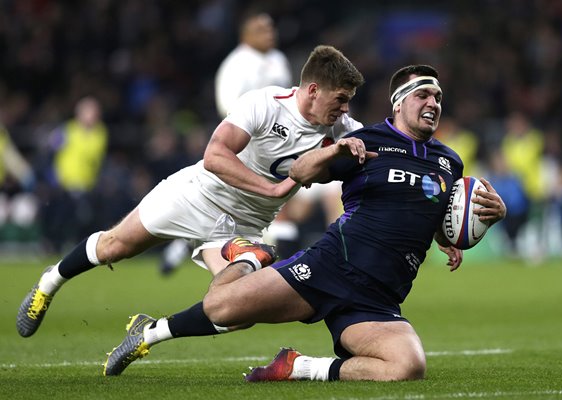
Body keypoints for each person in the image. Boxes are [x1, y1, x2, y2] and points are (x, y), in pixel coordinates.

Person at [102, 65, 506, 380]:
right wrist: (334, 152)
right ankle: (158, 325)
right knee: (222, 308)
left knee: (407, 366)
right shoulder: (368, 142)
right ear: (399, 103)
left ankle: (298, 367)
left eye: (437, 96)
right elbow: (300, 168)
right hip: (329, 268)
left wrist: (470, 226)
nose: (433, 102)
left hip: (380, 297)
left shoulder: (449, 162)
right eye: (423, 94)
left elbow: (440, 214)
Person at [16, 45, 365, 343]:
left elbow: (378, 145)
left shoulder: (343, 130)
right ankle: (51, 281)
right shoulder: (266, 103)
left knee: (238, 311)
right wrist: (273, 189)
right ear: (314, 89)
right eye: (341, 100)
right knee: (114, 247)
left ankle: (148, 334)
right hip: (196, 196)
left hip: (243, 227)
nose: (345, 109)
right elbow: (214, 156)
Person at [159, 11, 293, 275]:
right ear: (245, 35)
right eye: (262, 28)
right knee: (223, 205)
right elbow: (228, 107)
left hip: (276, 146)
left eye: (271, 28)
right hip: (246, 145)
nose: (270, 33)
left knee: (253, 208)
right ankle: (186, 245)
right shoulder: (236, 64)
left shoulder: (278, 59)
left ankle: (263, 260)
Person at [37, 96, 108, 253]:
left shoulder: (101, 133)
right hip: (64, 186)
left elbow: (98, 160)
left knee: (84, 220)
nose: (93, 115)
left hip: (87, 186)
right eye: (89, 112)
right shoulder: (66, 131)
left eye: (95, 112)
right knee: (60, 219)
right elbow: (49, 154)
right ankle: (53, 246)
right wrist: (52, 179)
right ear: (79, 113)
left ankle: (79, 249)